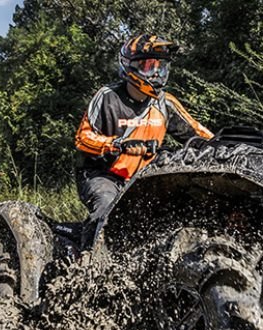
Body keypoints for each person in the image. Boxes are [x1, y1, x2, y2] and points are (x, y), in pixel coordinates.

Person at [74, 34, 214, 247]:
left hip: (143, 178)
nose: (156, 73)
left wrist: (227, 144)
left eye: (160, 66)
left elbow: (199, 133)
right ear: (130, 67)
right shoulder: (107, 97)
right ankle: (87, 267)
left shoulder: (165, 103)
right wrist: (116, 144)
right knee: (107, 208)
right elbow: (83, 138)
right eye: (149, 66)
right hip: (102, 175)